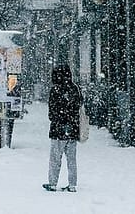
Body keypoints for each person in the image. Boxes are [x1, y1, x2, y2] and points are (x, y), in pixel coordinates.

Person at [43, 64, 83, 193]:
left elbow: (51, 112)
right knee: (71, 159)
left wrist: (59, 118)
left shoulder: (55, 90)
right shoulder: (75, 88)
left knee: (55, 158)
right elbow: (79, 106)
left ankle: (53, 183)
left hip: (58, 129)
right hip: (73, 128)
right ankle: (72, 185)